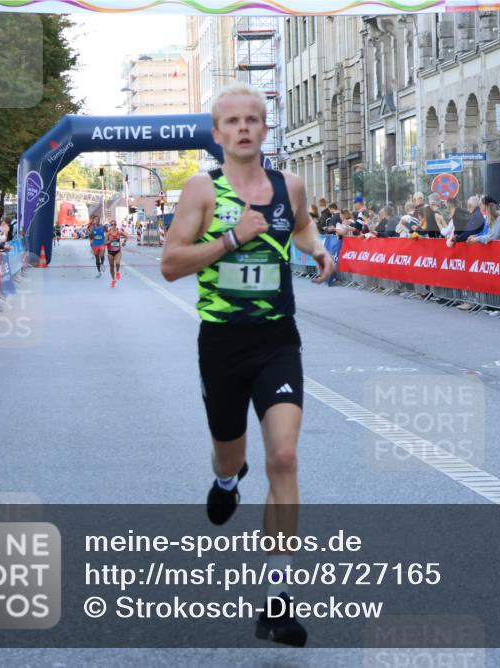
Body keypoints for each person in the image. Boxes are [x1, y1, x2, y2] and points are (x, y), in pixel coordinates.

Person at [160, 82, 334, 647]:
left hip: (277, 338)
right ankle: (225, 477)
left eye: (252, 120)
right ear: (216, 134)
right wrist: (233, 238)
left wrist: (317, 247)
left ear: (265, 128)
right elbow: (170, 264)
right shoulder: (200, 191)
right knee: (232, 450)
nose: (242, 128)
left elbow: (301, 223)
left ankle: (278, 602)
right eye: (231, 121)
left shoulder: (290, 185)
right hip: (222, 342)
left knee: (284, 456)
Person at [106, 220, 125, 287]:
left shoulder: (119, 232)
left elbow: (127, 236)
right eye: (112, 224)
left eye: (115, 224)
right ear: (110, 226)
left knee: (117, 263)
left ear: (116, 225)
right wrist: (109, 241)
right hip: (110, 252)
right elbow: (104, 243)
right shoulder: (108, 234)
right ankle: (113, 280)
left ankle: (117, 272)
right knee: (111, 267)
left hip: (117, 251)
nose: (113, 226)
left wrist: (124, 242)